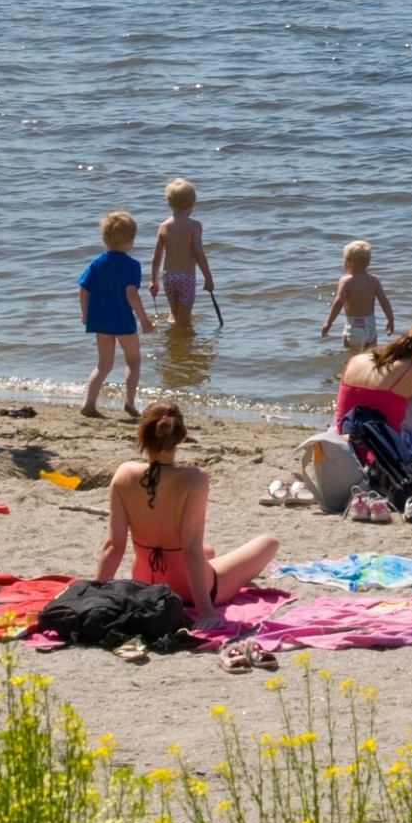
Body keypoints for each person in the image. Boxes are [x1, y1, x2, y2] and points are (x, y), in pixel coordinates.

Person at [100, 402, 279, 611]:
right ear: (182, 437)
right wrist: (205, 613)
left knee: (208, 551)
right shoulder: (195, 478)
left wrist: (94, 595)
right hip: (189, 590)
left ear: (140, 434)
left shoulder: (124, 473)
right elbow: (191, 550)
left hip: (145, 583)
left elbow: (114, 546)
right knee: (268, 543)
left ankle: (207, 559)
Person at [79, 210, 149, 420]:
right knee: (133, 361)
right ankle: (129, 402)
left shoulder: (97, 262)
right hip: (122, 320)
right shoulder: (131, 265)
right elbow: (131, 294)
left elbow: (84, 289)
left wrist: (85, 313)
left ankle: (88, 403)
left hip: (100, 320)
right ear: (130, 240)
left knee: (103, 365)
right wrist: (145, 320)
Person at [151, 178, 215, 330]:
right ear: (191, 203)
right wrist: (208, 278)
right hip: (186, 278)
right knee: (185, 319)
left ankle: (173, 343)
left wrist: (154, 281)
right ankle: (182, 345)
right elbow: (198, 252)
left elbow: (157, 256)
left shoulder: (164, 226)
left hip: (169, 278)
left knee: (174, 313)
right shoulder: (195, 226)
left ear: (169, 202)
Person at [318, 240, 392, 349]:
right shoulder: (374, 281)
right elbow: (384, 301)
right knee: (371, 357)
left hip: (353, 326)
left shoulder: (346, 281)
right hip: (370, 326)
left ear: (348, 261)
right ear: (368, 262)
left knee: (351, 358)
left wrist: (329, 322)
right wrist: (390, 320)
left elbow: (339, 301)